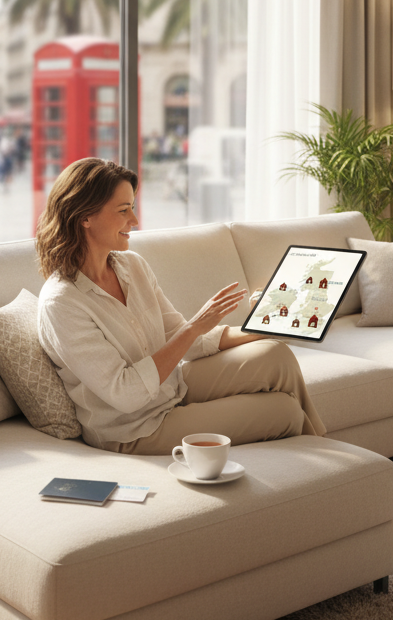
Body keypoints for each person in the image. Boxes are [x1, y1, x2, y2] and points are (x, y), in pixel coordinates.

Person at [35, 157, 328, 454]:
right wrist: (194, 327)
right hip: (135, 428)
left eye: (132, 207)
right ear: (84, 216)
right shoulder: (62, 303)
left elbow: (186, 340)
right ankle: (330, 460)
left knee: (276, 355)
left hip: (173, 389)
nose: (134, 220)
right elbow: (125, 393)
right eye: (123, 210)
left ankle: (328, 456)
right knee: (284, 411)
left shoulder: (132, 266)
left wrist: (266, 324)